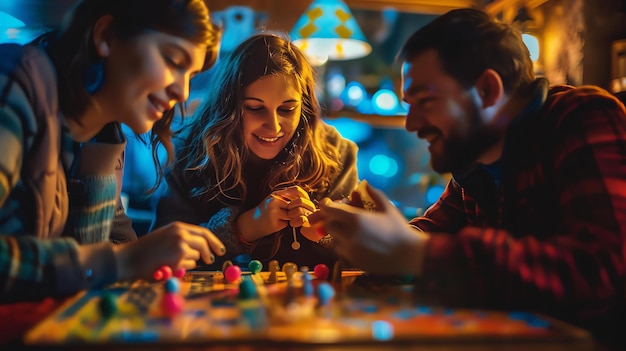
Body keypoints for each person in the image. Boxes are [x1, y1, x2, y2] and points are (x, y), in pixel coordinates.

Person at [314, 7, 626, 343]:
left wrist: (414, 254)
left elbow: (600, 274)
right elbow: (426, 236)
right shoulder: (475, 166)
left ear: (487, 91)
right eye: (408, 105)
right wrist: (365, 233)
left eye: (426, 101)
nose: (412, 124)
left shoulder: (581, 118)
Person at [0, 0, 226, 302]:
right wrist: (124, 262)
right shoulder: (15, 80)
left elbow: (109, 248)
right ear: (106, 36)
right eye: (173, 60)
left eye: (191, 76)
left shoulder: (104, 137)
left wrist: (139, 257)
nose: (182, 92)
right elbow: (112, 260)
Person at [152, 33, 359, 270]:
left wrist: (325, 234)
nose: (274, 126)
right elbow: (161, 258)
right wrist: (241, 230)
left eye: (287, 109)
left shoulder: (338, 153)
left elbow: (361, 256)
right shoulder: (191, 153)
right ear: (228, 106)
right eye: (255, 108)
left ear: (305, 107)